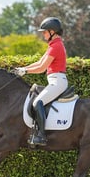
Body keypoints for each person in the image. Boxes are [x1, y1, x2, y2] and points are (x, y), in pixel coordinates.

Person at [14, 17, 68, 146]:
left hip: (58, 81)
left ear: (52, 32)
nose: (43, 34)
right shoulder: (53, 45)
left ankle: (41, 136)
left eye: (44, 32)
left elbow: (42, 68)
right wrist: (23, 68)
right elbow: (39, 62)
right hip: (54, 81)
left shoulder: (56, 46)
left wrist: (26, 72)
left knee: (38, 102)